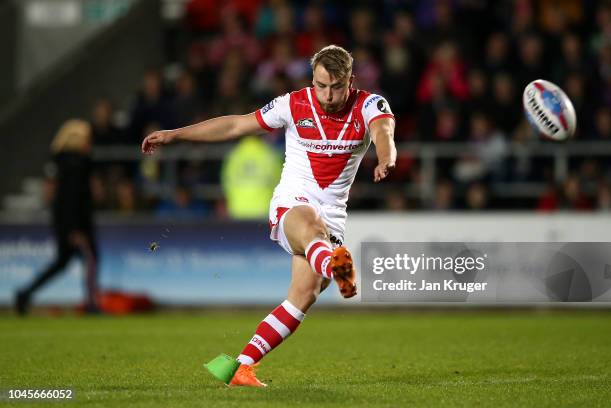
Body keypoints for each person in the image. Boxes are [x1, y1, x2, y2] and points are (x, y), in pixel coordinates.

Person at [142, 45, 397, 387]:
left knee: (303, 295)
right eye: (321, 85)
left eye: (336, 86)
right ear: (312, 80)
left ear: (351, 81)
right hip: (293, 202)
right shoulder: (292, 104)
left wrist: (385, 158)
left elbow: (384, 133)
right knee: (310, 228)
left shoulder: (369, 104)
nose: (328, 94)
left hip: (333, 214)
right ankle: (336, 266)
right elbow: (235, 126)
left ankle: (241, 368)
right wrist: (175, 134)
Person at [15, 119, 99, 315]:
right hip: (76, 223)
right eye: (87, 139)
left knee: (62, 263)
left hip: (63, 221)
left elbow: (55, 196)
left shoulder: (58, 161)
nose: (90, 143)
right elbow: (73, 198)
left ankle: (25, 293)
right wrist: (75, 229)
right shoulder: (77, 163)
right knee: (91, 258)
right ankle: (92, 304)